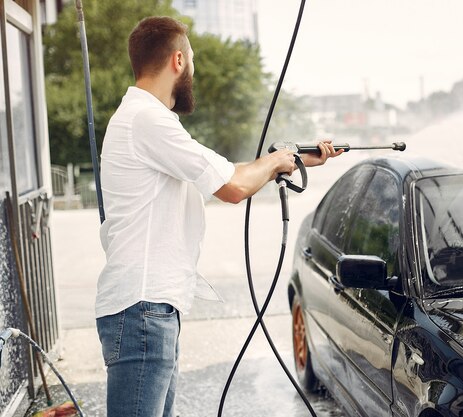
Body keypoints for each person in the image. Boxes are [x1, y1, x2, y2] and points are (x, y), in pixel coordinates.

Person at [95, 16, 342, 417]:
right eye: (192, 59)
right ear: (178, 60)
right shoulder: (148, 120)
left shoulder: (143, 119)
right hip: (142, 309)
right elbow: (232, 187)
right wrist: (277, 160)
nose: (194, 69)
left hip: (148, 308)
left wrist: (293, 158)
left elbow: (231, 171)